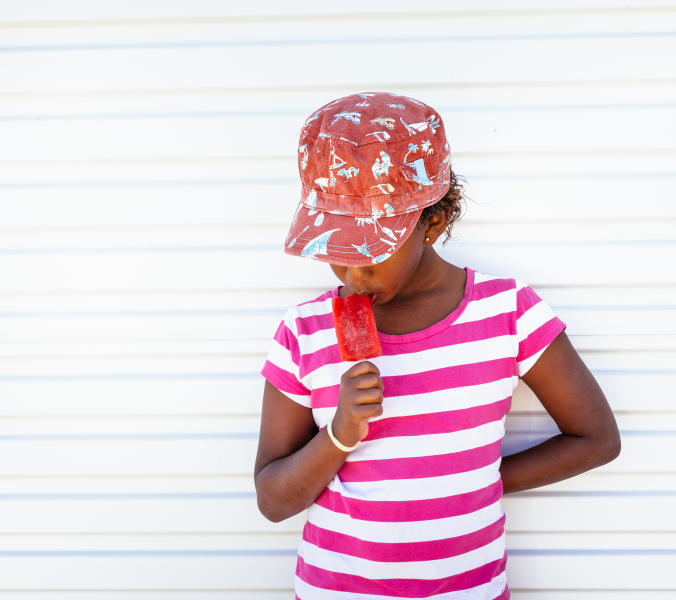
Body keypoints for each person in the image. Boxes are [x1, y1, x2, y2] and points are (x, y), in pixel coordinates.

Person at [254, 91, 621, 599]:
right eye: (337, 252)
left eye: (372, 252)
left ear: (434, 222)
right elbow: (273, 501)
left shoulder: (509, 312)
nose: (352, 273)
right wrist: (338, 434)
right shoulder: (305, 330)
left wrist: (470, 481)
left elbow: (596, 439)